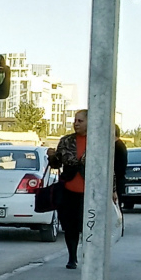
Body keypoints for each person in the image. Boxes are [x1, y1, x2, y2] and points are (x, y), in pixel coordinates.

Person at [48, 109, 122, 269]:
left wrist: (113, 189)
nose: (76, 123)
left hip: (92, 192)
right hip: (69, 189)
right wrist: (52, 156)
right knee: (70, 225)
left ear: (89, 122)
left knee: (90, 225)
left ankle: (89, 255)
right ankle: (72, 257)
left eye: (80, 121)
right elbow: (56, 164)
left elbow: (108, 168)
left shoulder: (99, 142)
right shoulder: (66, 141)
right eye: (75, 121)